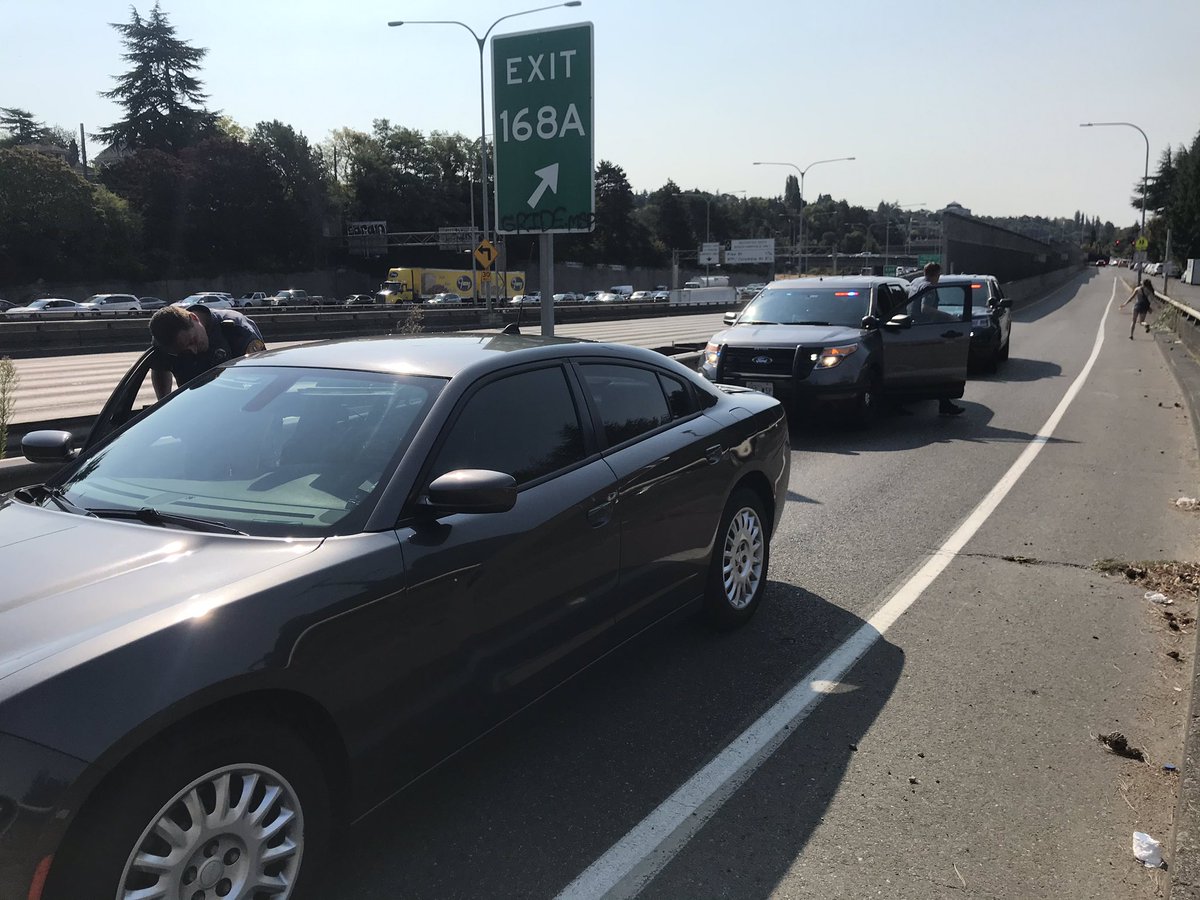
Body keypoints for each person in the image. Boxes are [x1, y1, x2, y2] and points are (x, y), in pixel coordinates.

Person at [148, 304, 266, 400]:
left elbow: (265, 379)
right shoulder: (164, 340)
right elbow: (159, 368)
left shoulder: (236, 329)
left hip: (240, 408)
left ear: (194, 318)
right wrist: (163, 402)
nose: (193, 351)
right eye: (183, 352)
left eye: (192, 341)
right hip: (193, 411)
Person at [906, 262, 965, 416]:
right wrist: (949, 317)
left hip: (912, 329)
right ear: (936, 274)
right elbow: (925, 308)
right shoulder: (929, 288)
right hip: (927, 330)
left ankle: (942, 403)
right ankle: (944, 404)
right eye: (939, 275)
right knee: (939, 367)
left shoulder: (916, 282)